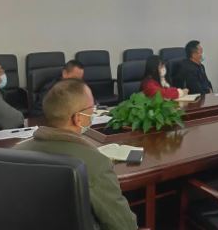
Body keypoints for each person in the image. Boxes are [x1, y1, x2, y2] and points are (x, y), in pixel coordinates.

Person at [16, 79, 137, 230]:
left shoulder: (16, 152)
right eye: (92, 107)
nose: (94, 111)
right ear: (78, 118)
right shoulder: (95, 162)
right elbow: (123, 225)